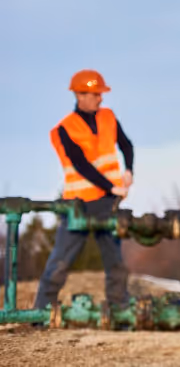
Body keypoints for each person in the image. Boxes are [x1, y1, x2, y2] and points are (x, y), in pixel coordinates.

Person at [34, 70, 134, 311]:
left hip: (106, 203)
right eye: (95, 94)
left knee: (115, 260)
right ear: (80, 95)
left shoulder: (108, 117)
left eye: (100, 94)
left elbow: (126, 145)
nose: (100, 98)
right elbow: (80, 164)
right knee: (60, 261)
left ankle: (120, 311)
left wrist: (128, 171)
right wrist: (112, 186)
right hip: (76, 205)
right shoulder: (64, 129)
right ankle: (39, 314)